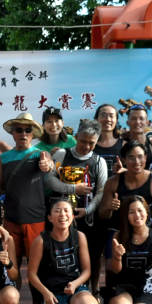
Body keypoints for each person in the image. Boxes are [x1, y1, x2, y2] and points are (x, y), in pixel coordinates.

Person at [45, 119, 108, 294]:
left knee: (92, 258)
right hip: (62, 219)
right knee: (61, 257)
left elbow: (101, 192)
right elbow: (49, 180)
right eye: (83, 141)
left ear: (97, 141)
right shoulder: (62, 155)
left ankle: (93, 292)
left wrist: (87, 210)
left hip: (88, 219)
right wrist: (73, 189)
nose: (87, 146)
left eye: (91, 143)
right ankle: (61, 292)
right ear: (76, 136)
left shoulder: (99, 162)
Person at [27, 198, 99, 304]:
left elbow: (87, 270)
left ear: (72, 216)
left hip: (75, 288)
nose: (62, 214)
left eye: (66, 211)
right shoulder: (41, 241)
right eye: (57, 211)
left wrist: (75, 284)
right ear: (50, 217)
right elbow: (31, 274)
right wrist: (45, 293)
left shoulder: (79, 236)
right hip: (52, 293)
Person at [0, 113, 53, 260]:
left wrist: (48, 165)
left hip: (35, 219)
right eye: (19, 129)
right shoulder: (3, 158)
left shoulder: (41, 154)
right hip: (10, 219)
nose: (23, 133)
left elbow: (49, 164)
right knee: (11, 263)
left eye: (28, 130)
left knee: (36, 263)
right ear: (13, 132)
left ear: (33, 133)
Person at [99, 140, 152, 230]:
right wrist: (110, 208)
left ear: (145, 158)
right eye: (132, 157)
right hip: (119, 231)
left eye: (140, 157)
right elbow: (102, 215)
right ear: (124, 160)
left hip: (146, 233)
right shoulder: (113, 182)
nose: (136, 161)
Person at [121, 104, 152, 169]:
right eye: (134, 118)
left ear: (147, 123)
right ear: (128, 122)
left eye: (141, 119)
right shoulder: (121, 143)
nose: (138, 122)